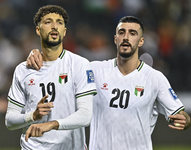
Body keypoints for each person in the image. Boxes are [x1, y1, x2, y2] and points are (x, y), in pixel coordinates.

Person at [26, 16, 190, 150]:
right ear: (115, 38)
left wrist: (184, 120)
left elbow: (179, 114)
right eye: (122, 32)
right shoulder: (95, 70)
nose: (126, 37)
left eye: (132, 33)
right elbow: (59, 68)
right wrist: (37, 53)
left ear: (140, 41)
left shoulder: (155, 78)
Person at [5, 5, 97, 150]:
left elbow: (85, 115)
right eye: (48, 22)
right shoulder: (23, 70)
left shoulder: (79, 64)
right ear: (38, 29)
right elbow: (10, 121)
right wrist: (32, 116)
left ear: (64, 31)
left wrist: (52, 124)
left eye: (59, 23)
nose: (54, 26)